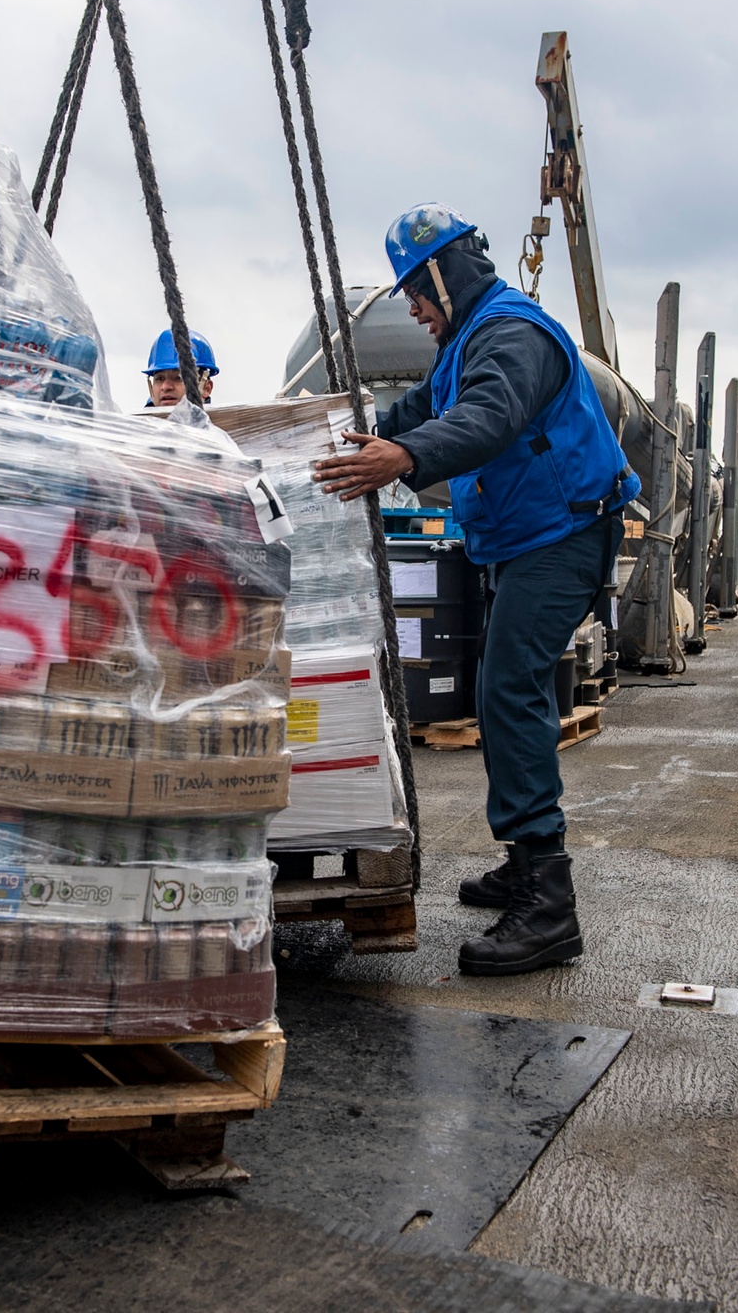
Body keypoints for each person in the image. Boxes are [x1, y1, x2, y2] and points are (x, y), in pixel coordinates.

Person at [312, 202, 639, 977]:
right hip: (524, 539)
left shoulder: (509, 333)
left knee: (509, 693)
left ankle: (549, 905)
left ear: (441, 274)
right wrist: (344, 432)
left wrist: (402, 459)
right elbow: (420, 410)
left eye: (416, 294)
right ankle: (524, 865)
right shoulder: (467, 340)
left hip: (561, 536)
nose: (416, 312)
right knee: (502, 694)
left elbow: (489, 419)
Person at [143, 328, 218, 407]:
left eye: (179, 378)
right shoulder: (137, 419)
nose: (165, 387)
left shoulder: (225, 419)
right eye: (160, 379)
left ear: (206, 388)